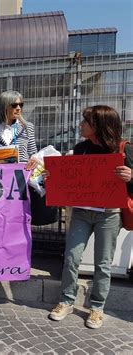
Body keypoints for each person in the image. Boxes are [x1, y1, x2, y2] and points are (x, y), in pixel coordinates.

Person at [48, 105, 132, 329]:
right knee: (71, 257)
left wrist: (130, 177)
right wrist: (52, 176)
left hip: (109, 215)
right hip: (82, 212)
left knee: (103, 264)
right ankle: (66, 301)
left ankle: (96, 308)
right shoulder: (81, 148)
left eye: (85, 122)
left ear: (98, 126)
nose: (80, 125)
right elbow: (71, 180)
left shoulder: (124, 149)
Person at [0, 90, 37, 169]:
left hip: (21, 176)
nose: (18, 108)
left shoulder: (27, 127)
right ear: (3, 107)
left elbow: (33, 153)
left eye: (21, 105)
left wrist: (34, 160)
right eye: (14, 105)